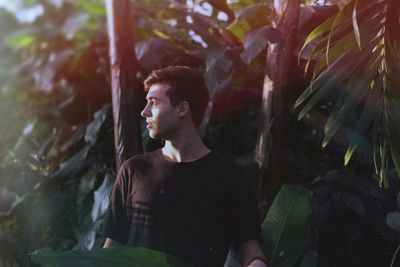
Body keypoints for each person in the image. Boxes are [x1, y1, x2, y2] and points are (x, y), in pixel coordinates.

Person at [102, 66, 268, 267]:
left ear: (182, 109)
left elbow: (251, 250)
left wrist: (257, 264)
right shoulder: (134, 170)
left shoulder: (231, 177)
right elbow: (112, 250)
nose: (144, 112)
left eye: (153, 103)